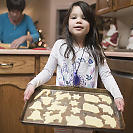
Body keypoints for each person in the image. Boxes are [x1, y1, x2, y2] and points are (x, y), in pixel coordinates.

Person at [24, 1, 124, 133]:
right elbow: (48, 71)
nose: (78, 21)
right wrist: (32, 84)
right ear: (67, 23)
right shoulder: (60, 46)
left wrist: (117, 95)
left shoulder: (96, 49)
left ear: (91, 25)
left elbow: (106, 75)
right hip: (61, 106)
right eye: (74, 17)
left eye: (84, 18)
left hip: (87, 109)